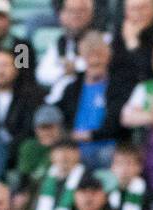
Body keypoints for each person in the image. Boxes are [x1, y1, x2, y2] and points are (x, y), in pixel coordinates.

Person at [52, 30, 128, 169]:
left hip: (107, 145)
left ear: (108, 56)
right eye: (90, 55)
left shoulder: (118, 86)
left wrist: (87, 135)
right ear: (83, 57)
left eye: (99, 55)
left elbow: (116, 123)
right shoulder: (72, 87)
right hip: (74, 147)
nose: (95, 59)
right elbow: (57, 111)